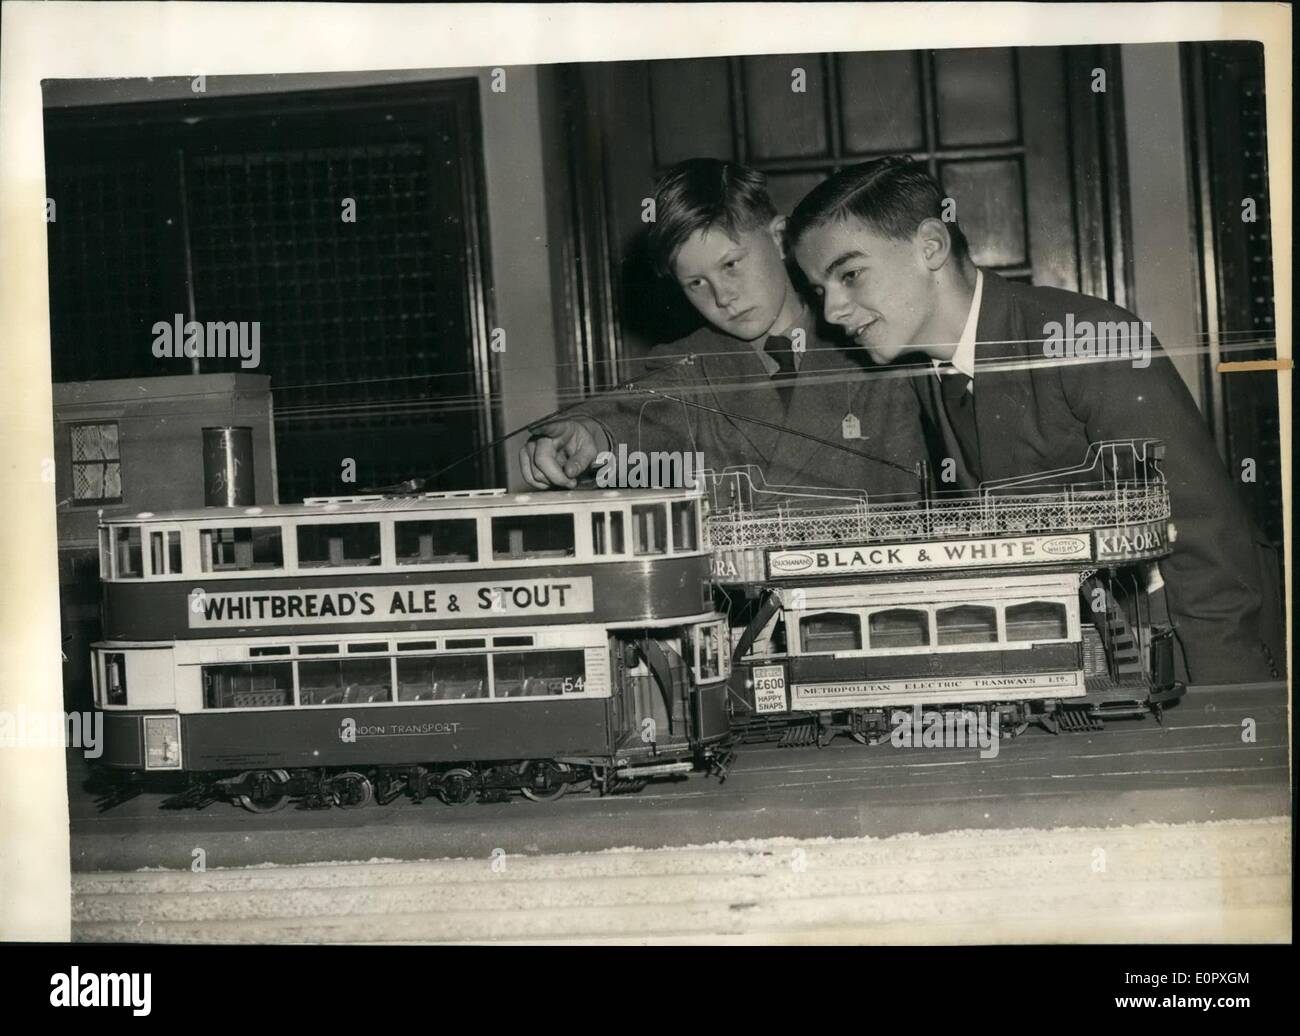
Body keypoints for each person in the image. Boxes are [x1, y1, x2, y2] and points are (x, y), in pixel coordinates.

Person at [784, 155, 1282, 687]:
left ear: (930, 246)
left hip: (1190, 643)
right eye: (819, 290)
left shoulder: (1087, 336)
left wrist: (1231, 705)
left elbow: (1204, 537)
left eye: (850, 275)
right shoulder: (925, 370)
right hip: (1090, 650)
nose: (833, 310)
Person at [518, 158, 924, 498]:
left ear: (781, 239)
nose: (723, 296)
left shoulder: (872, 339)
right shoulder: (687, 366)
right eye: (696, 283)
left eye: (731, 265)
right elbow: (629, 416)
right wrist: (589, 434)